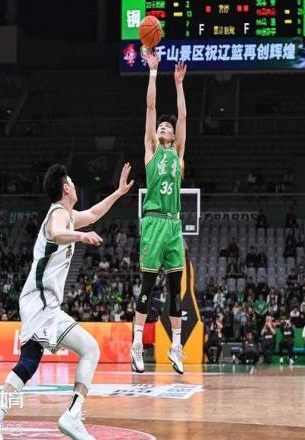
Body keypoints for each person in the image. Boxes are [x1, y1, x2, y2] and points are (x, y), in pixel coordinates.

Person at [0, 163, 133, 440]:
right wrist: (82, 236)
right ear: (65, 188)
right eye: (71, 181)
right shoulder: (58, 213)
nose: (74, 184)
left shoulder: (68, 215)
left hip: (47, 304)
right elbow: (57, 233)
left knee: (77, 351)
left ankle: (66, 415)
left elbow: (93, 213)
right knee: (41, 359)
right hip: (39, 299)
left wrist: (119, 193)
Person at [130, 54, 188, 375]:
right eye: (161, 126)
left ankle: (175, 347)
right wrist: (153, 71)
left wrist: (178, 85)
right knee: (148, 287)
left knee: (176, 290)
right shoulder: (151, 151)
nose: (165, 127)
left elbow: (183, 117)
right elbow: (151, 108)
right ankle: (137, 344)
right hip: (153, 222)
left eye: (168, 127)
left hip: (174, 224)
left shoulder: (178, 155)